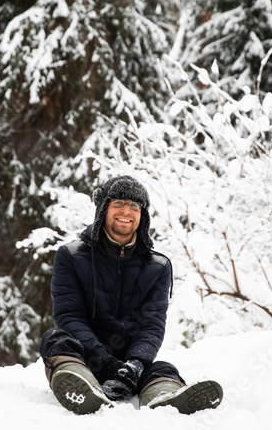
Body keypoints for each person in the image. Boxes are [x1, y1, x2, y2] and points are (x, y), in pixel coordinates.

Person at [40, 175, 223, 415]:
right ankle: (86, 390)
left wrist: (135, 364)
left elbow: (152, 324)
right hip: (86, 356)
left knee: (163, 368)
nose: (126, 211)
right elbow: (69, 315)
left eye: (134, 206)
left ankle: (164, 399)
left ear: (142, 215)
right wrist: (105, 361)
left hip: (130, 365)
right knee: (56, 340)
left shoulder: (158, 265)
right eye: (118, 203)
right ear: (103, 209)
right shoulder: (72, 255)